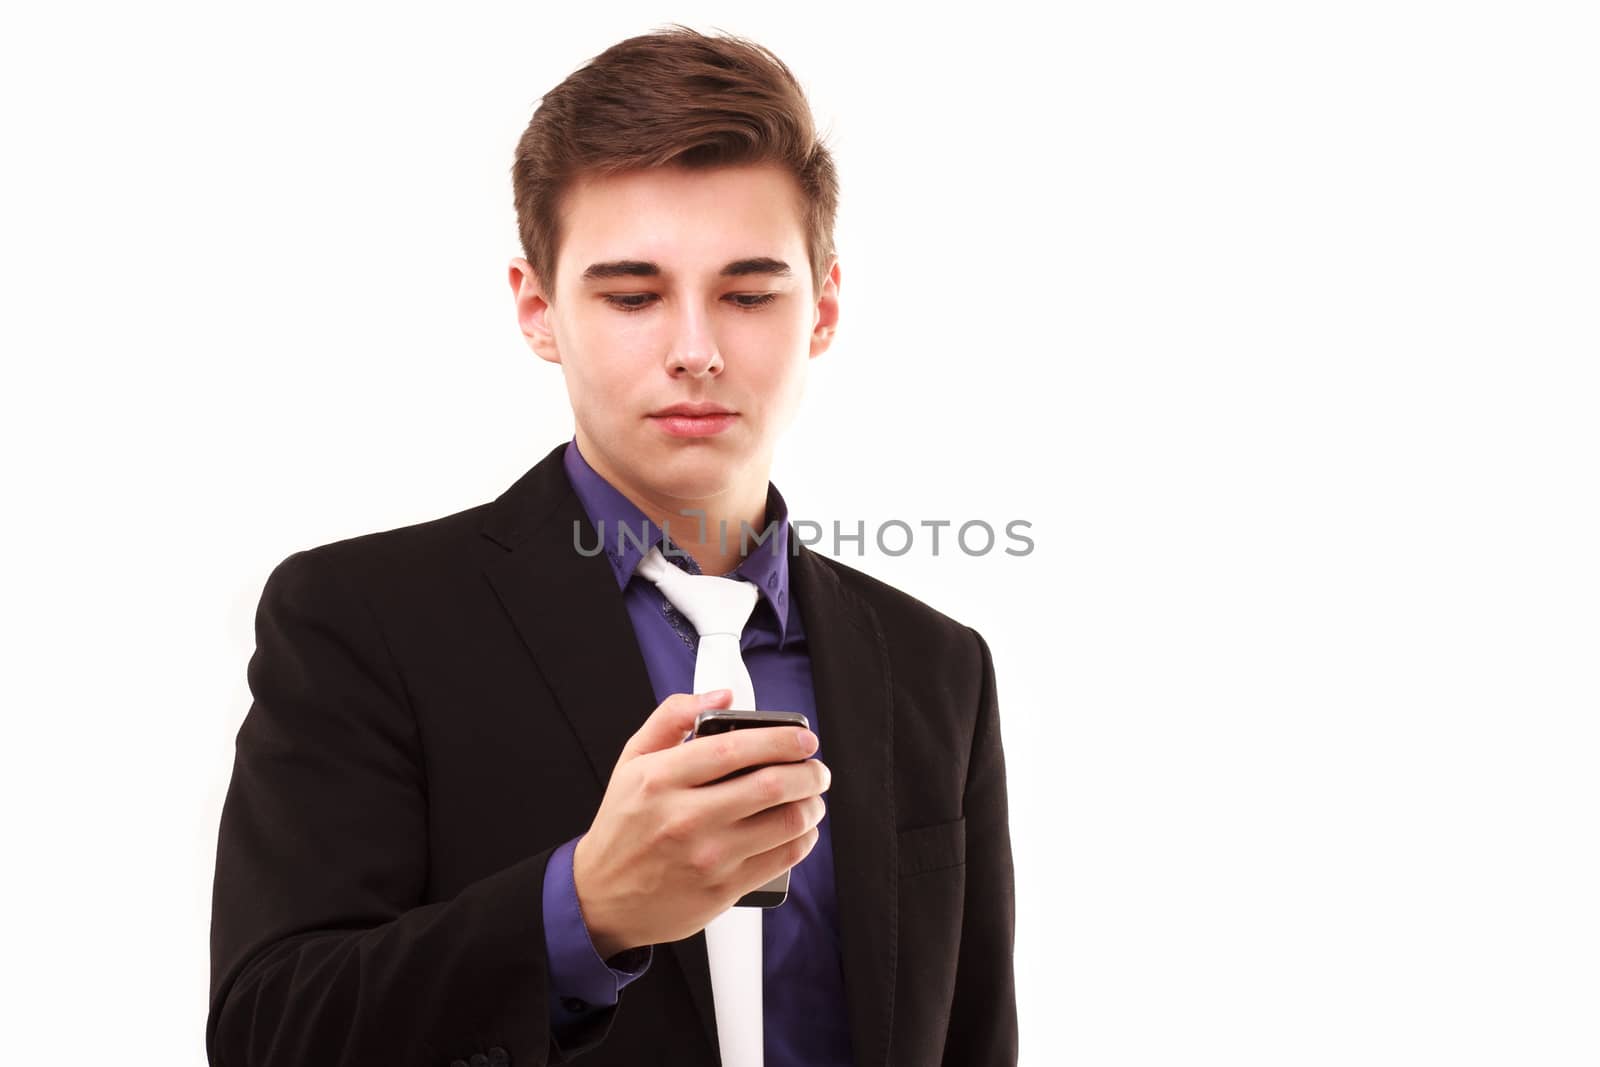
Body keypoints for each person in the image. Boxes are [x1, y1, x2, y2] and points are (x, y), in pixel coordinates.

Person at [207, 25, 1016, 1067]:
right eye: (632, 295)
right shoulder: (361, 617)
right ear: (538, 309)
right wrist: (584, 905)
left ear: (823, 310)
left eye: (749, 292)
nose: (694, 349)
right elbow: (272, 1032)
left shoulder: (936, 666)